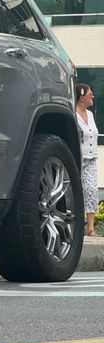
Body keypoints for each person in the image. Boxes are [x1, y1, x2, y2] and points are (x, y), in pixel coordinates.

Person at [75, 83, 99, 236]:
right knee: (76, 191)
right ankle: (76, 225)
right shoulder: (73, 114)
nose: (93, 96)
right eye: (91, 93)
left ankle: (90, 228)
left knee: (91, 190)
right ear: (82, 97)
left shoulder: (90, 115)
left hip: (91, 158)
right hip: (78, 158)